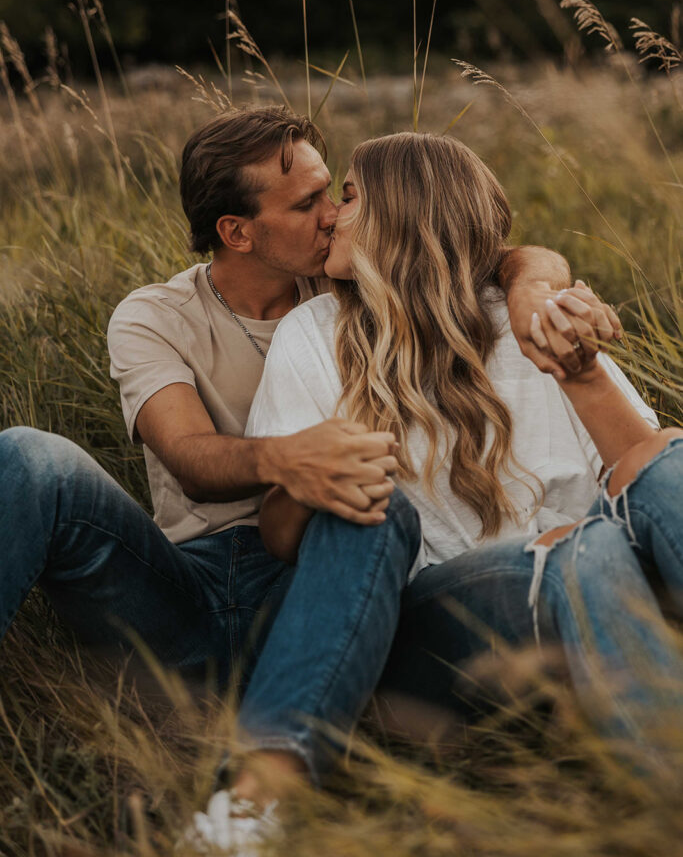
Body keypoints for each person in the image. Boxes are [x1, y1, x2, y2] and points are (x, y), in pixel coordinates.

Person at [0, 108, 619, 854]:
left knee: (368, 504)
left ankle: (259, 797)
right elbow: (193, 461)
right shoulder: (156, 316)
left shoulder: (353, 285)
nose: (334, 216)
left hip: (321, 579)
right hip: (185, 587)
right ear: (237, 231)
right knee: (30, 458)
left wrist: (532, 286)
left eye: (336, 192)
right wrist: (282, 459)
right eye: (306, 204)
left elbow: (477, 244)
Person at [245, 130, 683, 817]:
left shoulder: (526, 322)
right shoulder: (316, 334)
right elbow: (277, 536)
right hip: (439, 629)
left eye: (350, 197)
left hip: (598, 592)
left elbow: (648, 478)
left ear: (404, 219)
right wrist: (316, 468)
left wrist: (583, 374)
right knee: (583, 548)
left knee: (668, 460)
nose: (329, 214)